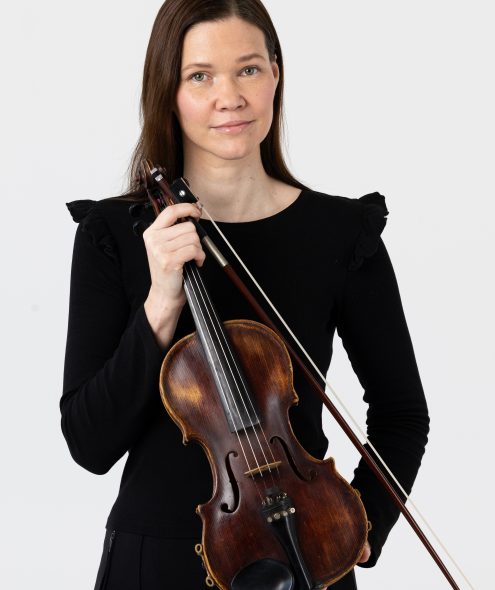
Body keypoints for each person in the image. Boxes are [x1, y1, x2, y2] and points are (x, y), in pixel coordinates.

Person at [61, 0, 429, 588]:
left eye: (248, 69)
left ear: (275, 75)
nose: (228, 96)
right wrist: (161, 302)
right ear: (168, 91)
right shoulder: (115, 234)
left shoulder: (342, 234)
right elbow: (89, 443)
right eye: (200, 76)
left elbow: (401, 413)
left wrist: (360, 526)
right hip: (155, 564)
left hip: (302, 553)